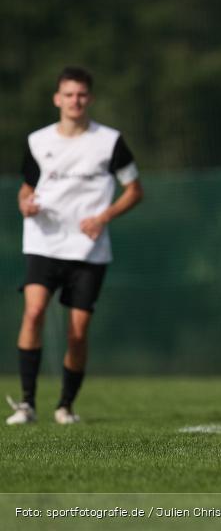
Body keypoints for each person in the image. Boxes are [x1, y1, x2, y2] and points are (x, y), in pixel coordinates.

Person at [7, 66, 143, 425]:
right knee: (33, 312)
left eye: (81, 94)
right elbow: (26, 187)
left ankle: (65, 406)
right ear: (57, 99)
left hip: (88, 250)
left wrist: (103, 217)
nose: (75, 101)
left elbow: (134, 190)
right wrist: (25, 203)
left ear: (90, 98)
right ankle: (26, 404)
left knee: (77, 332)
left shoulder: (109, 141)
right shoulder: (38, 141)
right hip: (43, 241)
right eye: (68, 94)